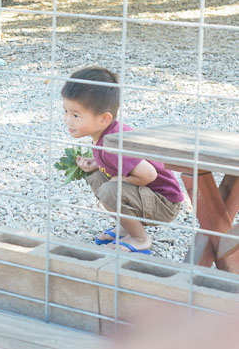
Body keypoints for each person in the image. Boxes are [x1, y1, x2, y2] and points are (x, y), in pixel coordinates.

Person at [61, 67, 184, 254]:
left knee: (110, 189)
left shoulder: (114, 142)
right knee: (95, 176)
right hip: (147, 195)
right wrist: (97, 164)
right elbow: (121, 165)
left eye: (76, 115)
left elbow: (149, 174)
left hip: (164, 202)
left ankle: (140, 238)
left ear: (104, 119)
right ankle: (128, 228)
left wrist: (117, 181)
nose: (68, 120)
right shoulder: (103, 134)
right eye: (66, 111)